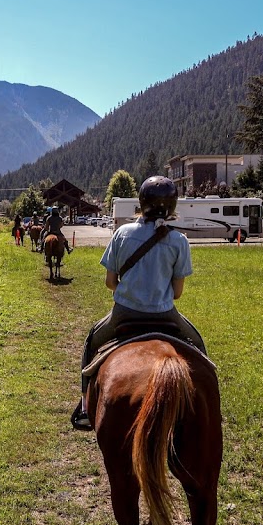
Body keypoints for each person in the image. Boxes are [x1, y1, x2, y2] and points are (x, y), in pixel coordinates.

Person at [71, 175, 206, 430]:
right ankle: (204, 408)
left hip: (124, 314)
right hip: (165, 315)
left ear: (142, 202)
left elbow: (110, 282)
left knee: (91, 343)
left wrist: (130, 291)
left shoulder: (122, 233)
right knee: (199, 346)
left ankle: (86, 407)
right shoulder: (179, 241)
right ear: (172, 206)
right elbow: (177, 293)